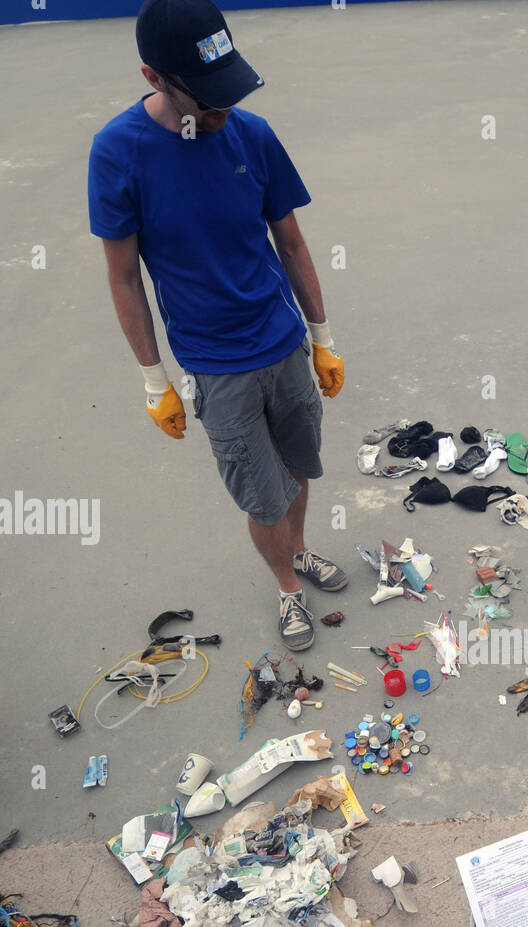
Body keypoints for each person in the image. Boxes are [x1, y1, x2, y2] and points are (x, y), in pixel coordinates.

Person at [88, 0, 346, 652]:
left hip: (284, 345)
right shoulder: (119, 154)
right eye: (206, 98)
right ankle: (288, 586)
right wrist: (155, 380)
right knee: (263, 498)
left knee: (298, 466)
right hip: (217, 366)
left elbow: (289, 240)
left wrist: (321, 337)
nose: (222, 109)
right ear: (154, 78)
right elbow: (123, 278)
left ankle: (301, 548)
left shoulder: (250, 133)